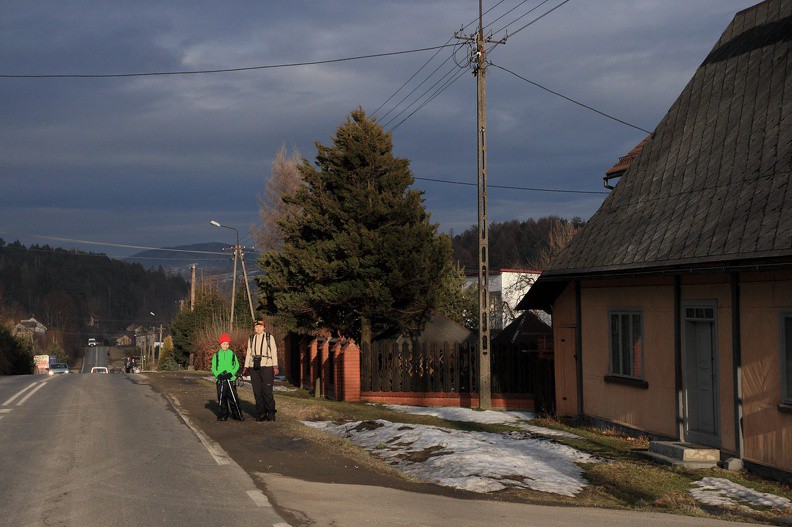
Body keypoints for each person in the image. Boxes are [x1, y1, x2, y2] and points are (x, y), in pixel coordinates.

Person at [242, 320, 278, 422]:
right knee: (257, 391)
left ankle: (270, 412)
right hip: (254, 366)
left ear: (264, 327)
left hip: (267, 366)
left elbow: (274, 351)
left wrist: (275, 366)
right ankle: (261, 413)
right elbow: (249, 353)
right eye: (256, 327)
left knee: (267, 391)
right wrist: (246, 367)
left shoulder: (269, 337)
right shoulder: (251, 338)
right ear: (254, 328)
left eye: (260, 326)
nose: (258, 328)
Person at [211, 333, 244, 422]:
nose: (225, 346)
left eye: (227, 344)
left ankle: (237, 415)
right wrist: (218, 375)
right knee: (222, 397)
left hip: (230, 379)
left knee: (233, 397)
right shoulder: (217, 354)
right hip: (220, 379)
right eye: (224, 344)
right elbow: (213, 367)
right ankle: (223, 415)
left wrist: (231, 373)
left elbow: (236, 365)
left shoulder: (232, 354)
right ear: (220, 344)